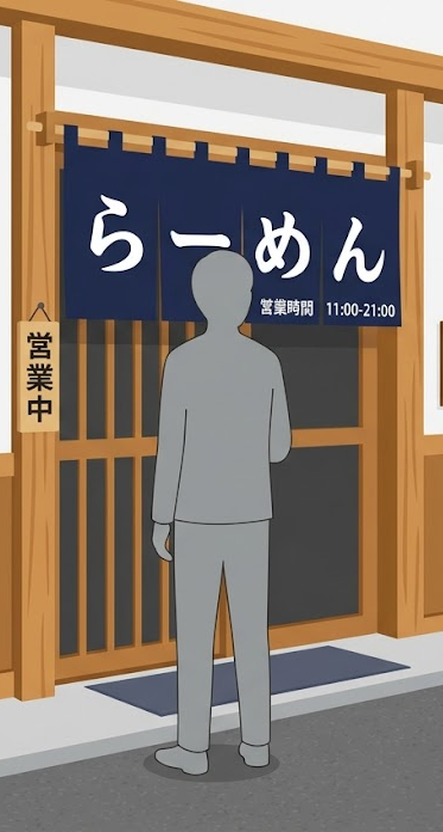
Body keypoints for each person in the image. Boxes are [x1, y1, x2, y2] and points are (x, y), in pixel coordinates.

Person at [150, 250, 292, 776]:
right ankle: (256, 743)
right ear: (246, 299)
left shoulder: (183, 362)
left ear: (199, 300)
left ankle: (193, 748)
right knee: (253, 633)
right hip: (252, 513)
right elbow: (280, 447)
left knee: (195, 634)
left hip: (194, 514)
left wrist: (160, 517)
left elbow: (172, 448)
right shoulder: (266, 361)